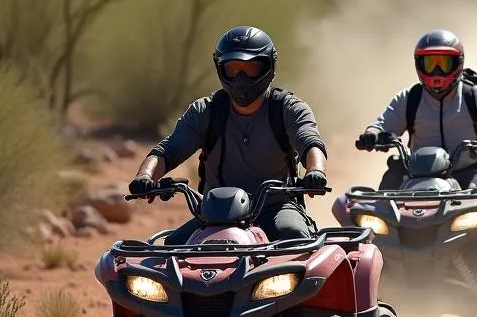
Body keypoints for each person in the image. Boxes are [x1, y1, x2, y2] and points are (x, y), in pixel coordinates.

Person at [128, 25, 329, 244]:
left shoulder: (288, 109)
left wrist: (315, 171)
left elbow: (310, 142)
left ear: (268, 67)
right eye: (233, 68)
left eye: (251, 68)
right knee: (173, 248)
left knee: (296, 239)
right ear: (220, 68)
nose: (241, 79)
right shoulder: (205, 111)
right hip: (215, 216)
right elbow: (167, 151)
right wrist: (145, 176)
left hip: (276, 209)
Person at [357, 29, 477, 190]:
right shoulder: (408, 97)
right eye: (430, 64)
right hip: (416, 174)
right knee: (386, 192)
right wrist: (371, 135)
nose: (436, 71)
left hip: (468, 171)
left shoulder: (475, 96)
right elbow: (381, 126)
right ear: (419, 64)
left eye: (444, 63)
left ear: (458, 63)